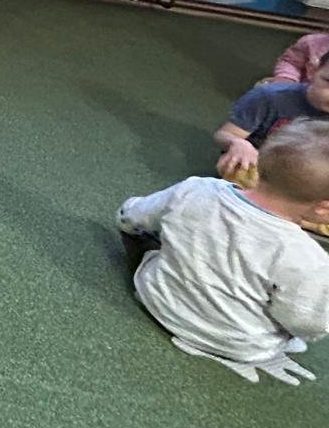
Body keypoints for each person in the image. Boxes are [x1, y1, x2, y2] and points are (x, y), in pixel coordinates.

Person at [118, 119, 329, 384]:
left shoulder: (197, 188)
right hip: (239, 346)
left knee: (156, 240)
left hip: (157, 301)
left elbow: (133, 216)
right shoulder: (309, 259)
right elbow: (307, 323)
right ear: (323, 209)